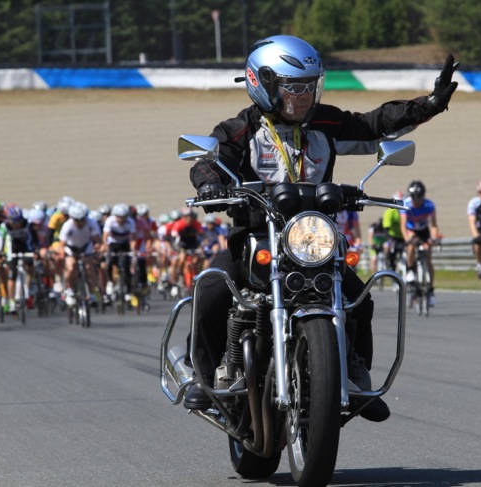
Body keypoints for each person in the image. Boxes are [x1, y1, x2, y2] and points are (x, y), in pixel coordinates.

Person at [185, 34, 459, 422]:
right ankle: (204, 374)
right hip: (255, 238)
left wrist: (428, 106)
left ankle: (354, 376)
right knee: (211, 288)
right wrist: (210, 183)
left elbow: (374, 125)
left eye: (309, 87)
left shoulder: (326, 123)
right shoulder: (239, 130)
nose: (303, 97)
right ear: (262, 84)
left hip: (314, 238)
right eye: (293, 88)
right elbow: (208, 161)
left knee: (357, 298)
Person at [400, 180, 441, 307]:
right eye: (414, 198)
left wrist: (433, 238)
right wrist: (407, 238)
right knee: (411, 245)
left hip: (424, 230)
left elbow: (433, 225)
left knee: (428, 258)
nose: (416, 201)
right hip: (411, 230)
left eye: (419, 198)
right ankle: (410, 270)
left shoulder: (429, 205)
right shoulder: (406, 204)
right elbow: (403, 225)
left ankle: (430, 289)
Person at [59, 201, 102, 306]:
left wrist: (99, 248)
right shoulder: (68, 225)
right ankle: (71, 289)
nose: (80, 222)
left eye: (83, 219)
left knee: (88, 268)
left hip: (85, 247)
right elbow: (62, 244)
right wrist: (61, 254)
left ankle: (93, 293)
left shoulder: (91, 223)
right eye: (77, 220)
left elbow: (98, 240)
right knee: (71, 267)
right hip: (71, 248)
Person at [382, 191, 405, 274]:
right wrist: (389, 240)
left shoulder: (405, 211)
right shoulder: (390, 212)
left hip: (403, 237)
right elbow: (386, 228)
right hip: (392, 236)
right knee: (391, 250)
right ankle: (390, 266)